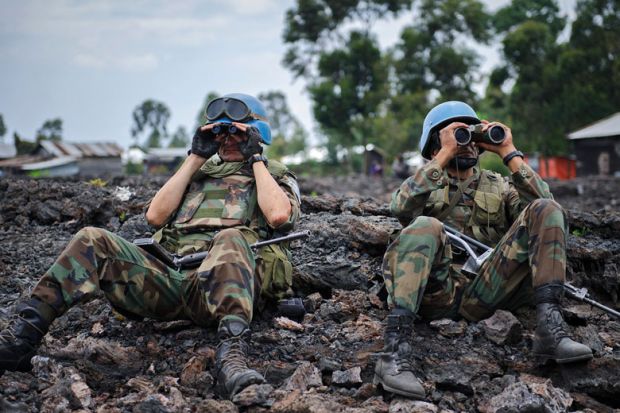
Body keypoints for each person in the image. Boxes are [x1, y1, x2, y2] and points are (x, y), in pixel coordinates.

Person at [0, 93, 301, 400]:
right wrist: (196, 157)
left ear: (257, 135)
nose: (228, 139)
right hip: (171, 280)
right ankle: (22, 340)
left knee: (231, 237)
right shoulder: (198, 174)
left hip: (222, 291)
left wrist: (256, 161)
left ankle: (232, 357)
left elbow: (279, 215)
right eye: (220, 132)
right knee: (91, 238)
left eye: (237, 132)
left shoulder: (273, 175)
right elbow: (155, 216)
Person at [374, 101, 592, 399]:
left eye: (470, 135)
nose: (467, 143)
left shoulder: (499, 186)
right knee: (425, 224)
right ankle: (394, 353)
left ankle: (550, 329)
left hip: (486, 290)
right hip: (437, 291)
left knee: (546, 208)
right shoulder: (426, 180)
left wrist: (508, 152)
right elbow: (400, 207)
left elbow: (548, 211)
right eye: (457, 134)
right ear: (435, 142)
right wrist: (445, 154)